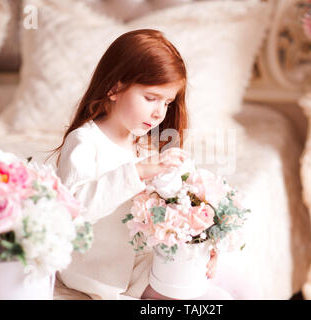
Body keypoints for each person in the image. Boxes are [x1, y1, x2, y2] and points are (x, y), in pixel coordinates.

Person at [51, 29, 223, 300]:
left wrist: (200, 244)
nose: (159, 112)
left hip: (141, 265)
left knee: (208, 286)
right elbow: (74, 208)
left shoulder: (144, 145)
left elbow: (175, 204)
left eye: (167, 102)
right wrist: (139, 172)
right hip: (97, 273)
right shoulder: (85, 142)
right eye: (151, 98)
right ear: (115, 88)